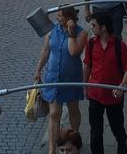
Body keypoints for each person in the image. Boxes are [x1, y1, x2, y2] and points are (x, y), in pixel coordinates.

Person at [34, 8, 88, 154]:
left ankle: (74, 139)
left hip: (71, 79)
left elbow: (73, 51)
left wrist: (71, 32)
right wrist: (38, 69)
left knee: (73, 109)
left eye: (59, 16)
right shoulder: (52, 31)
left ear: (69, 17)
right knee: (54, 113)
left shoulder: (82, 33)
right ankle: (52, 149)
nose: (56, 18)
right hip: (53, 78)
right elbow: (46, 51)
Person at [83, 12, 127, 154]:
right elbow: (87, 65)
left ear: (103, 27)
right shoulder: (91, 43)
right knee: (95, 132)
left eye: (94, 25)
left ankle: (122, 148)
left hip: (114, 96)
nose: (91, 27)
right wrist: (85, 86)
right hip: (95, 94)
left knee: (117, 128)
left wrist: (121, 86)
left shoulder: (119, 45)